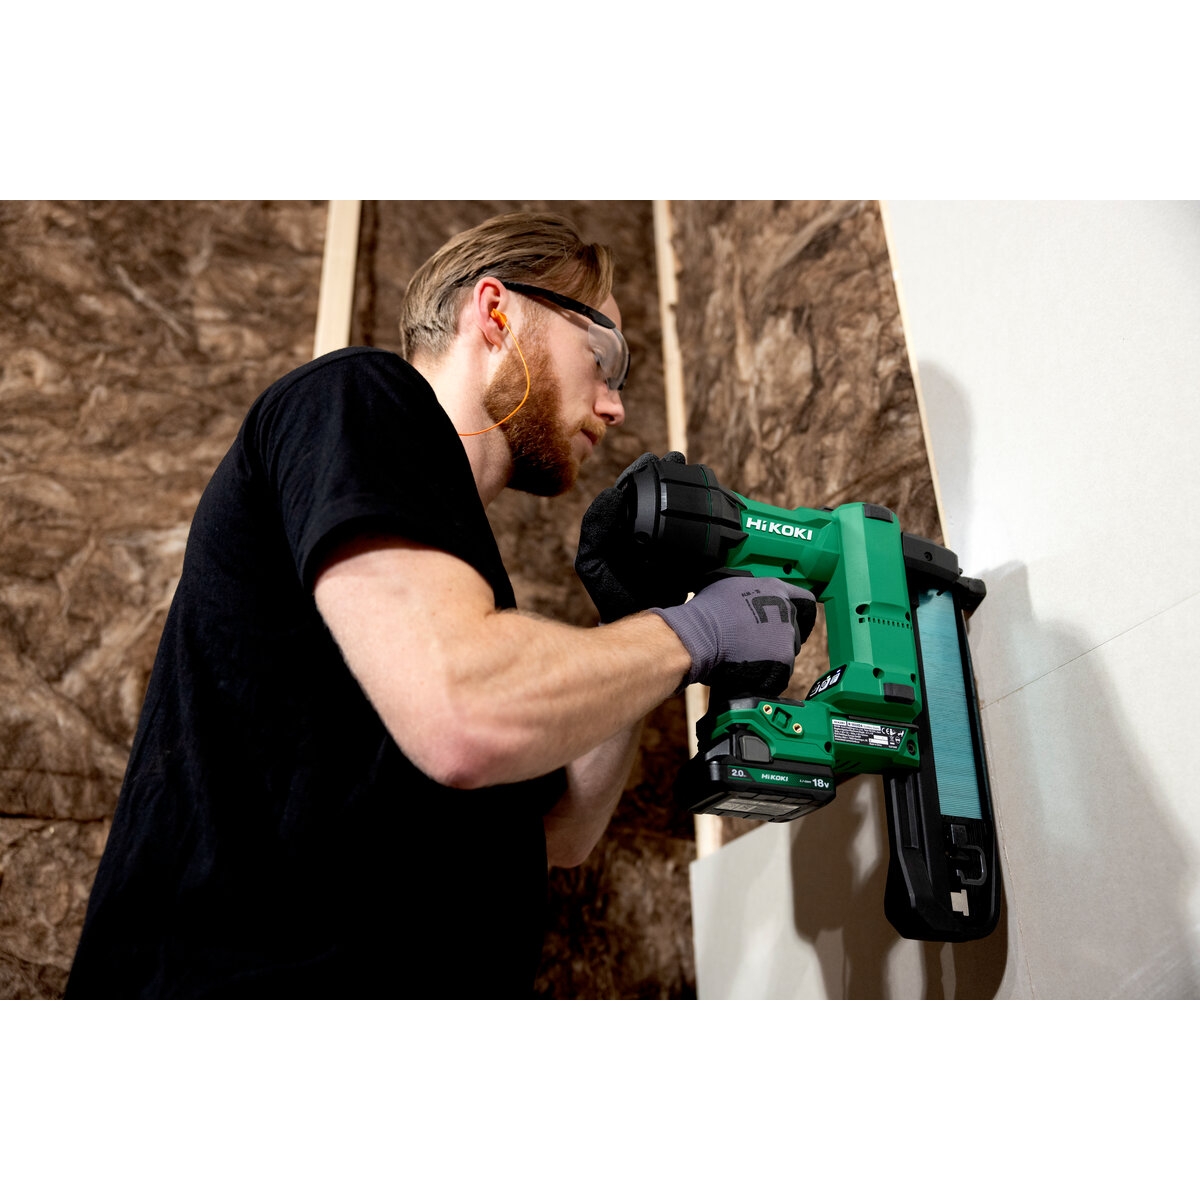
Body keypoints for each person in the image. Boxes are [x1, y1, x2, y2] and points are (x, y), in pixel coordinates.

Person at [64, 212, 814, 999]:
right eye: (604, 357)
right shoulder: (360, 397)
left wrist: (633, 621)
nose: (614, 405)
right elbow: (466, 719)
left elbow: (561, 836)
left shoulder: (462, 597)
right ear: (496, 313)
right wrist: (693, 632)